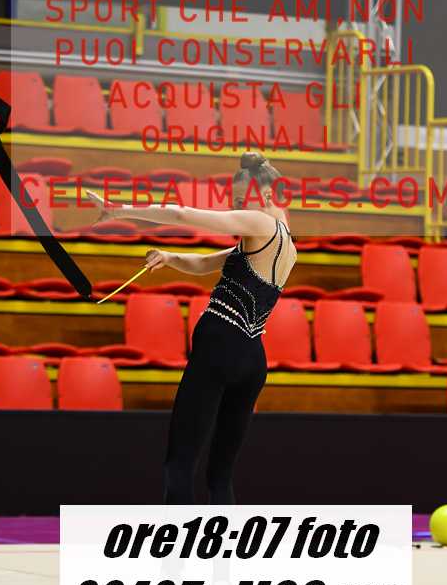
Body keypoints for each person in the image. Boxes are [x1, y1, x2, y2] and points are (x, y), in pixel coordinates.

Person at [87, 152, 297, 504]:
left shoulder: (258, 223)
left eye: (241, 201)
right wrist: (170, 258)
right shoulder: (285, 242)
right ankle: (221, 542)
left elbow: (182, 215)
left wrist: (118, 210)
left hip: (220, 347)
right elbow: (205, 263)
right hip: (252, 359)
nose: (237, 208)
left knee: (180, 463)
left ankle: (177, 540)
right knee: (220, 475)